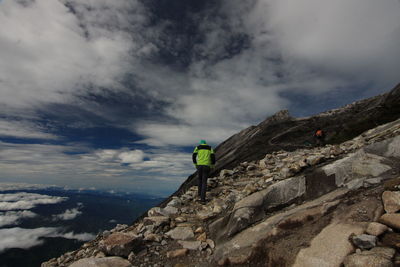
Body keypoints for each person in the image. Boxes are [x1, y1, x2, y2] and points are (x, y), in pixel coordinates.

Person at [192, 140, 216, 204]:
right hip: (207, 166)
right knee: (204, 182)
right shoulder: (210, 148)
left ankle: (199, 194)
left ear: (201, 143)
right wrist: (212, 165)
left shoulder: (198, 147)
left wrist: (195, 164)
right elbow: (213, 157)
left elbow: (194, 156)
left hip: (199, 166)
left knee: (199, 179)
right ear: (205, 143)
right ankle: (203, 199)